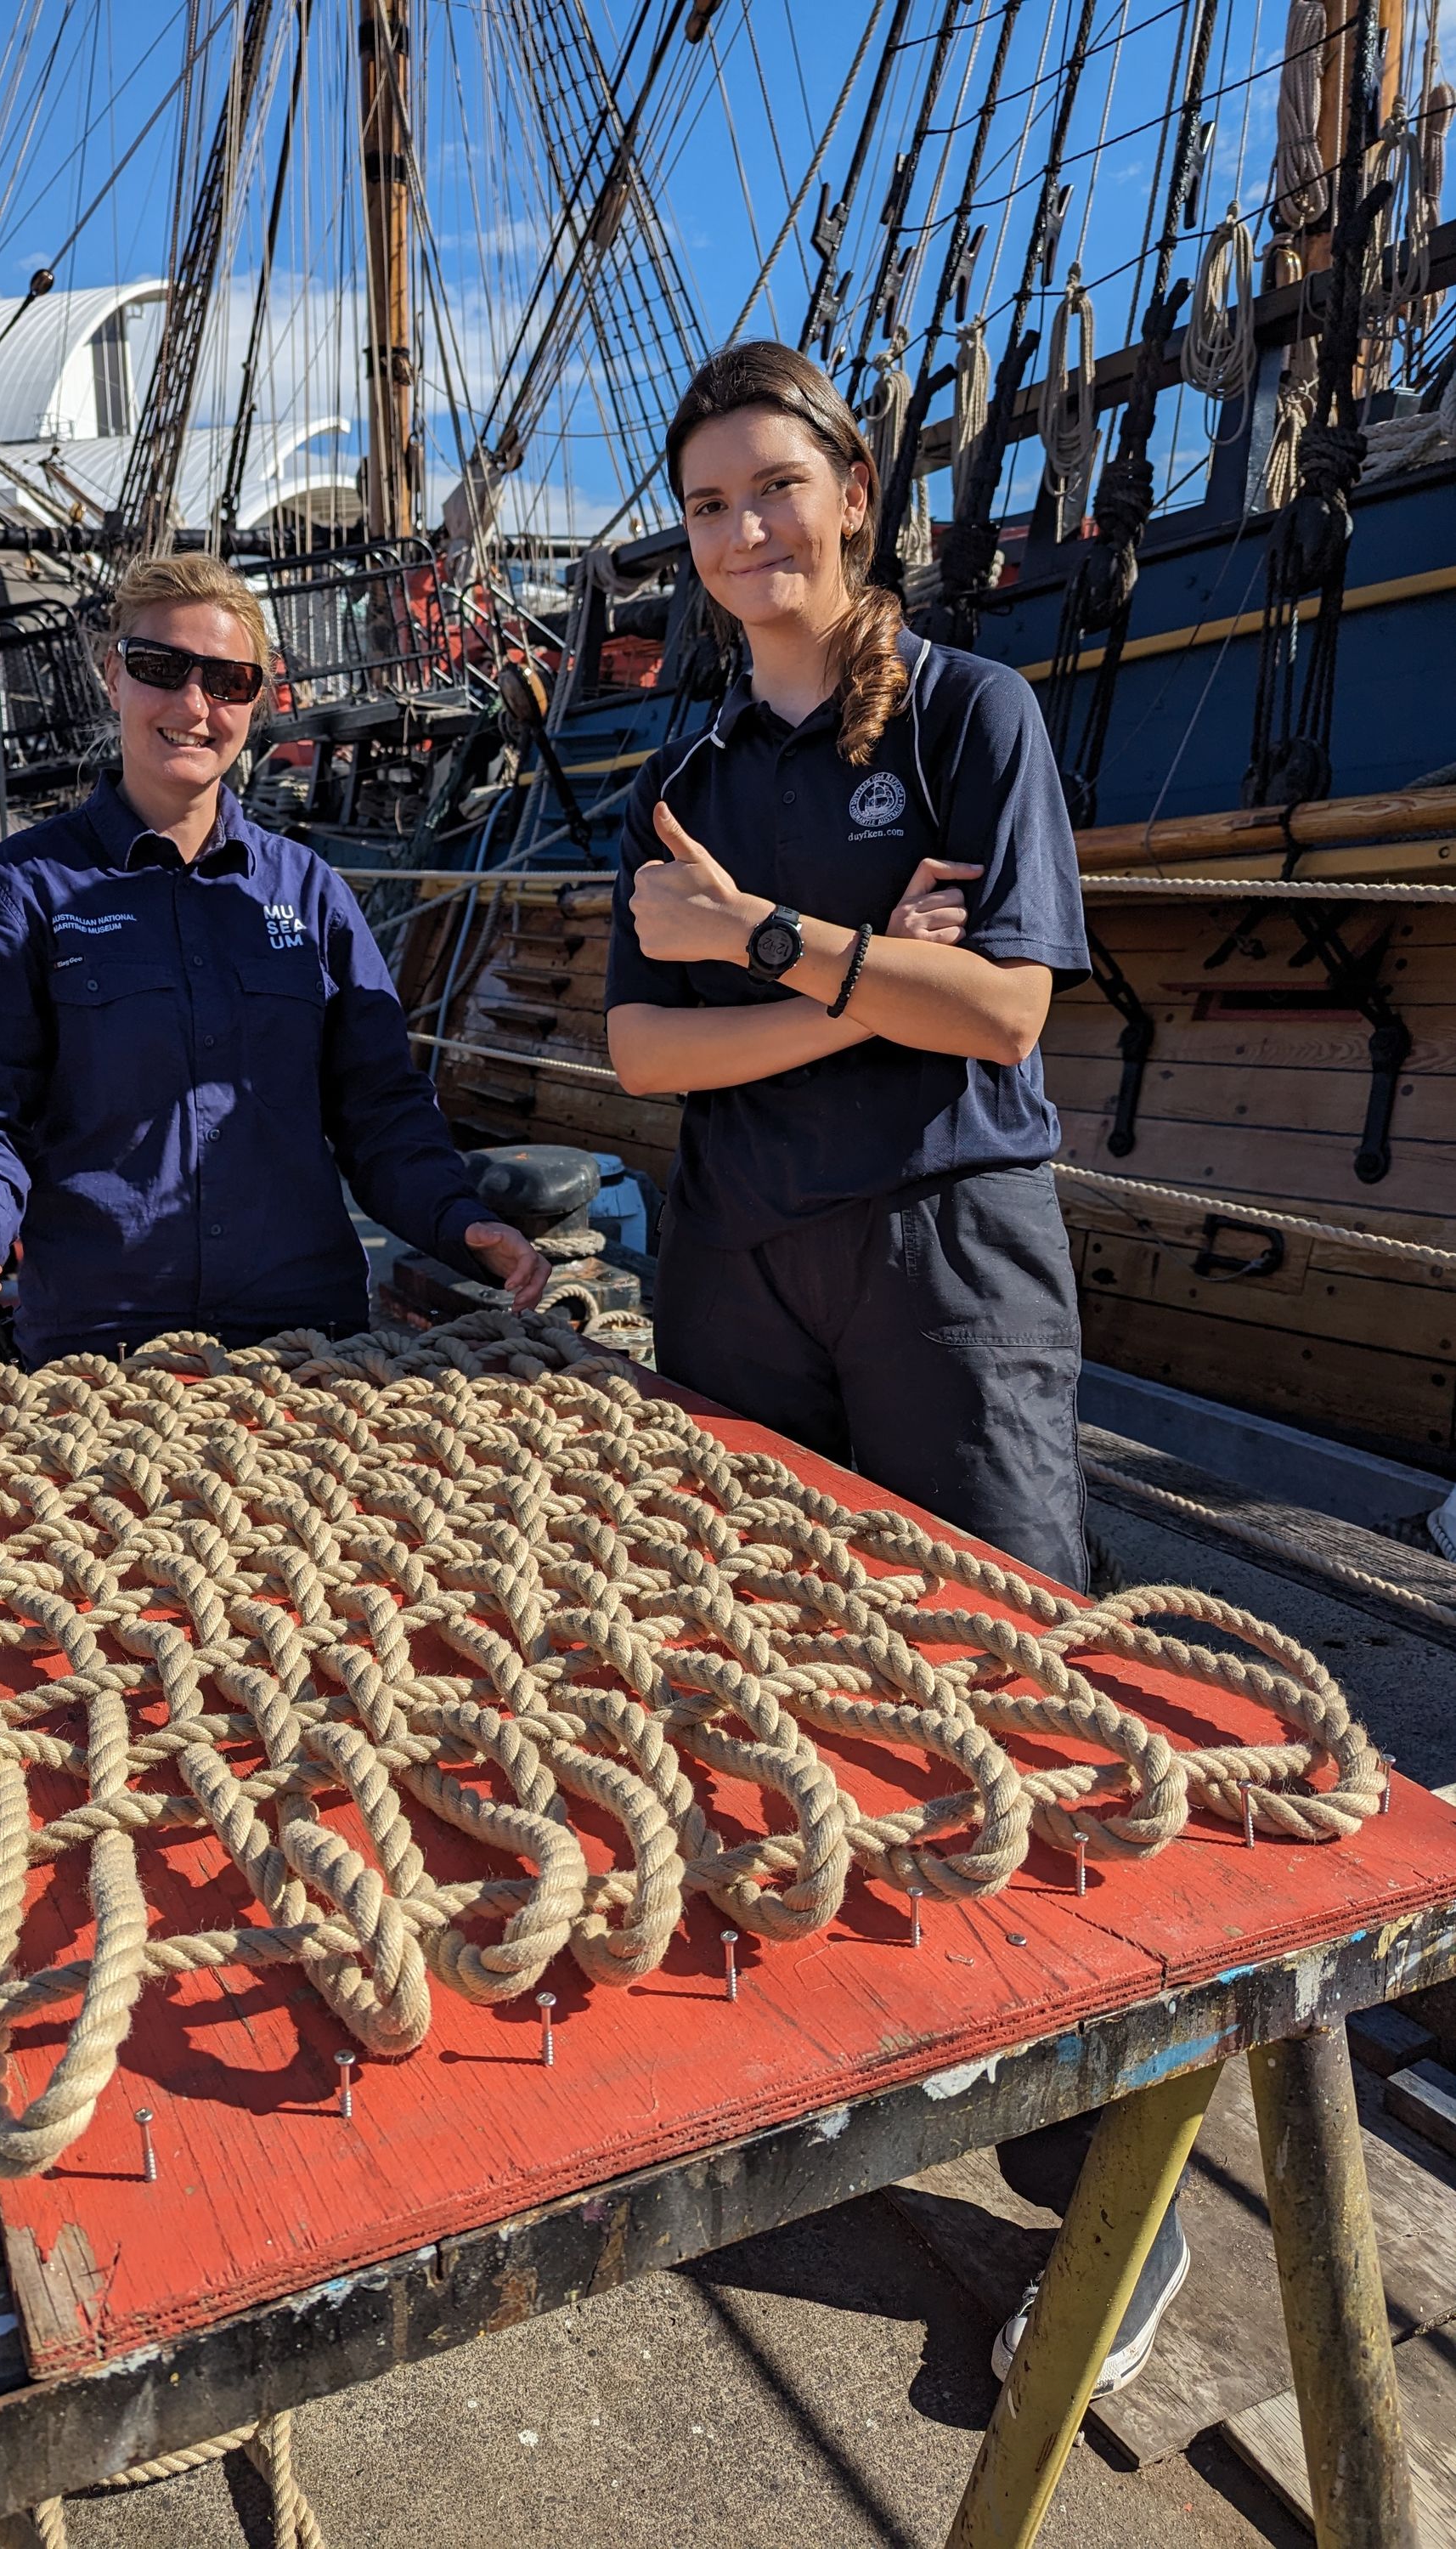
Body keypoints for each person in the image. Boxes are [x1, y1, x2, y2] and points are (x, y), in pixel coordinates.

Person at [605, 340, 1185, 2394]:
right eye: (706, 504)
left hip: (947, 1258)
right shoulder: (692, 761)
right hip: (742, 1261)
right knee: (774, 1654)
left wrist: (759, 943)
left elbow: (1007, 1012)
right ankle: (858, 2032)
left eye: (774, 485)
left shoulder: (967, 718)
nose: (744, 530)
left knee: (1005, 1663)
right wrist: (876, 978)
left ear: (849, 491)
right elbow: (639, 1054)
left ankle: (1111, 2167)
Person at [0, 551, 546, 1361]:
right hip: (100, 1342)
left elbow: (379, 1106)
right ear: (113, 676)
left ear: (259, 700)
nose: (193, 705)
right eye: (160, 668)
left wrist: (459, 1221)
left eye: (227, 682)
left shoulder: (310, 893)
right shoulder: (19, 890)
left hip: (307, 1338)